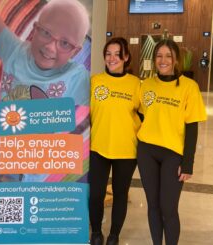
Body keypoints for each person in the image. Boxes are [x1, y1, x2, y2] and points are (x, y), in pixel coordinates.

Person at [0, 0, 90, 182]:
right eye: (46, 33)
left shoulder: (77, 76)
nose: (51, 47)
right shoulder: (16, 51)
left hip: (41, 177)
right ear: (35, 29)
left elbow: (84, 127)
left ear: (76, 51)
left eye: (65, 43)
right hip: (5, 162)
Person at [137, 39, 207, 245]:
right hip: (146, 150)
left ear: (176, 60)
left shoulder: (189, 87)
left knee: (168, 207)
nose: (163, 60)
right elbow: (142, 116)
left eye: (168, 56)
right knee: (153, 205)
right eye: (159, 56)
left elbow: (192, 127)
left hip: (173, 154)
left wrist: (188, 163)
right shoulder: (146, 85)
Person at [89, 37, 141, 245]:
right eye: (108, 54)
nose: (112, 58)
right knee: (95, 195)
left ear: (126, 57)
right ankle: (96, 233)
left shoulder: (136, 84)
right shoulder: (95, 81)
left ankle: (114, 236)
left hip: (126, 150)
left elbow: (147, 116)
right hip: (98, 147)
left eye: (117, 54)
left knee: (121, 195)